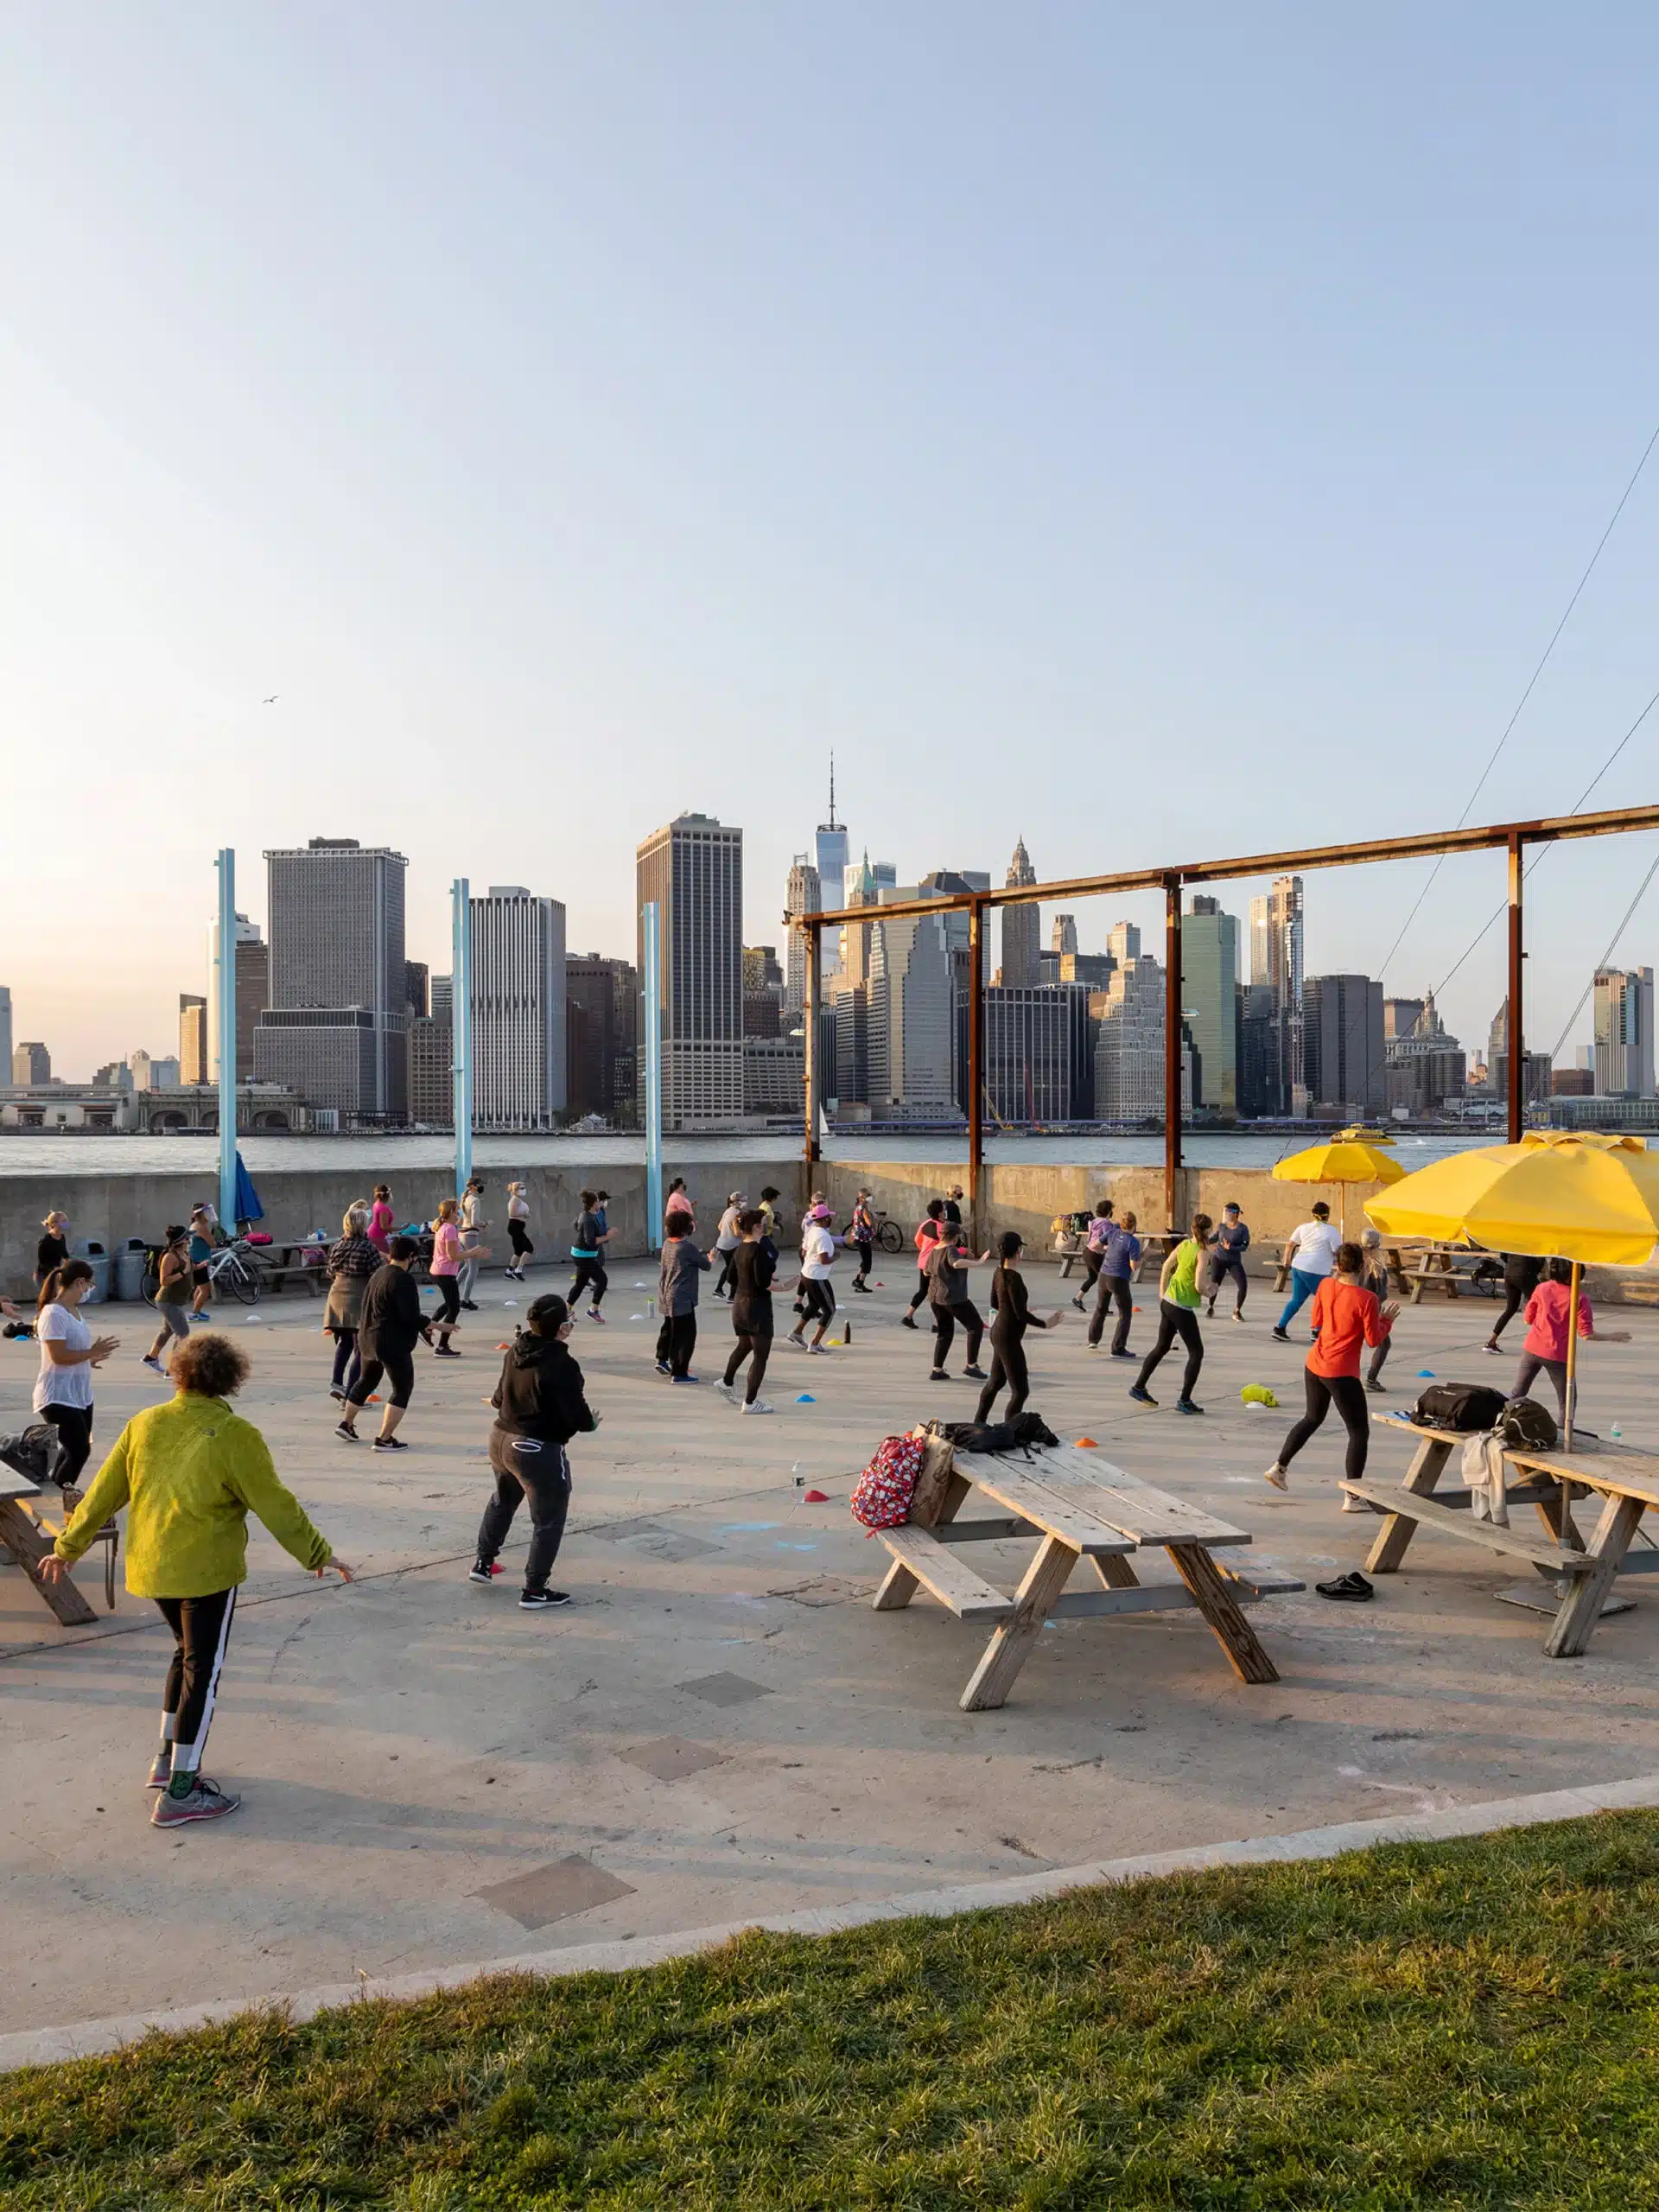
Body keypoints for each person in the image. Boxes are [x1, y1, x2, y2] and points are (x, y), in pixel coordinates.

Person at [42, 1332, 353, 1827]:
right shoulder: (235, 1436)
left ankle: (166, 1762)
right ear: (230, 1381)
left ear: (177, 1373)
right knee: (201, 1674)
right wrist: (317, 1553)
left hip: (153, 1568)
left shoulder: (144, 1424)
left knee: (184, 1656)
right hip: (205, 1572)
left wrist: (68, 1547)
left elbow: (102, 1492)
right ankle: (182, 1792)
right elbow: (274, 1503)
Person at [470, 1293, 597, 1610]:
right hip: (534, 1448)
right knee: (549, 1518)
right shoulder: (562, 1363)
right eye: (569, 1322)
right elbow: (578, 1416)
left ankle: (483, 1563)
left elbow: (499, 1399)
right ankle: (535, 1588)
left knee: (503, 1500)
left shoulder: (515, 1350)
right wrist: (591, 1423)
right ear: (560, 1328)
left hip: (500, 1438)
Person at [1264, 1241, 1398, 1496]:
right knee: (1359, 1432)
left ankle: (1279, 1467)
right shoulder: (1367, 1299)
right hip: (1342, 1372)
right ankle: (1353, 1495)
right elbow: (1373, 1340)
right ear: (1362, 1266)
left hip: (1315, 1364)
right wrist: (1386, 1322)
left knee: (1312, 1418)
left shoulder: (1325, 1285)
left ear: (1337, 1264)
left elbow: (1316, 1320)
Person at [339, 1236, 435, 1449]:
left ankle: (347, 1423)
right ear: (411, 1256)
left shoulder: (378, 1274)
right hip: (391, 1343)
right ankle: (384, 1438)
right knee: (402, 1388)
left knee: (366, 1380)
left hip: (367, 1339)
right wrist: (434, 1324)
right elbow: (410, 1316)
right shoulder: (403, 1279)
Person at [1510, 1257, 1628, 1424]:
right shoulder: (1579, 1298)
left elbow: (1527, 1320)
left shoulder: (1541, 1288)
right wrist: (1612, 1336)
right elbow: (1586, 1334)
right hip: (1556, 1354)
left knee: (1518, 1393)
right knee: (1566, 1402)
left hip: (1532, 1348)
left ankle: (1501, 1421)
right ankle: (1563, 1434)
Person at [34, 1260, 118, 1492]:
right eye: (89, 1284)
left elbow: (73, 1352)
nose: (90, 1290)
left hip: (80, 1395)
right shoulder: (53, 1313)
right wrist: (91, 1351)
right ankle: (61, 1494)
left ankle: (57, 1488)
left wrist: (91, 1358)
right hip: (57, 1396)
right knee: (80, 1450)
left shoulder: (75, 1312)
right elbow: (58, 1356)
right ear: (80, 1282)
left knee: (72, 1448)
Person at [1128, 1213, 1212, 1414]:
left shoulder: (1184, 1245)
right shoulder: (1202, 1253)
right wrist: (1211, 1291)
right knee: (1196, 1352)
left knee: (1162, 1346)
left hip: (1168, 1301)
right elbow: (1199, 1285)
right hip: (1181, 1307)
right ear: (1208, 1231)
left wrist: (1161, 1293)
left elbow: (1166, 1267)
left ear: (1192, 1229)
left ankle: (1138, 1387)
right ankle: (1184, 1400)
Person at [976, 1232, 1061, 1421]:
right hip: (1008, 1337)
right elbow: (1019, 1314)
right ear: (1017, 1252)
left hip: (999, 1332)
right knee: (1020, 1391)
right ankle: (1011, 1428)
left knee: (996, 1381)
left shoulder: (998, 1273)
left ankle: (979, 1422)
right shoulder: (1014, 1278)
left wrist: (1018, 1307)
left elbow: (995, 1303)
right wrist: (1045, 1324)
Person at [718, 1210, 777, 1413]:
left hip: (739, 1306)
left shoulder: (740, 1248)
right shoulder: (758, 1250)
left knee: (744, 1345)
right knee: (761, 1356)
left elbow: (731, 1278)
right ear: (757, 1227)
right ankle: (750, 1402)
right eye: (763, 1223)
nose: (766, 1226)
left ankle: (726, 1381)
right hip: (757, 1307)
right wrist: (783, 1285)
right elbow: (763, 1281)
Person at [323, 1204, 380, 1403]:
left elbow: (329, 1272)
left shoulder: (337, 1246)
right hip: (358, 1297)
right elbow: (376, 1275)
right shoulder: (368, 1247)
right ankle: (352, 1394)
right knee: (361, 1348)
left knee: (344, 1342)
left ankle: (336, 1383)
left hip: (337, 1295)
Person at [926, 1227, 992, 1382]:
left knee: (945, 1332)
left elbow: (926, 1272)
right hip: (953, 1297)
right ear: (955, 1237)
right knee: (975, 1326)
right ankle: (971, 1365)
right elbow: (956, 1263)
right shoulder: (951, 1249)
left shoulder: (934, 1250)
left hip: (935, 1297)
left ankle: (937, 1370)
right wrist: (979, 1262)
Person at [1273, 1202, 1342, 1341]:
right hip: (1317, 1270)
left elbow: (1290, 1244)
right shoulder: (1331, 1231)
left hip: (1298, 1266)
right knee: (1325, 1300)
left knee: (1297, 1300)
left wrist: (1286, 1260)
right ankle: (1317, 1331)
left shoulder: (1303, 1227)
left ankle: (1280, 1328)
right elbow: (1338, 1251)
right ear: (1327, 1216)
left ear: (1313, 1214)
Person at [656, 1215, 710, 1381]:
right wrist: (710, 1258)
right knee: (685, 1336)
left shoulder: (667, 1244)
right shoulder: (686, 1247)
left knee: (669, 1329)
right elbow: (706, 1265)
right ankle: (679, 1372)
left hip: (666, 1293)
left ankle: (662, 1359)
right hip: (682, 1298)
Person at [1086, 1209, 1141, 1357]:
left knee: (1101, 1307)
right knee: (1125, 1313)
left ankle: (1093, 1340)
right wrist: (1144, 1256)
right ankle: (1118, 1348)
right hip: (1119, 1278)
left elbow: (1095, 1245)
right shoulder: (1133, 1242)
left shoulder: (1112, 1233)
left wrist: (1108, 1249)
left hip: (1104, 1275)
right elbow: (1134, 1266)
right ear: (1134, 1225)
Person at [142, 1226, 194, 1377]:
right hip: (167, 1301)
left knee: (167, 1331)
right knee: (183, 1333)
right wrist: (183, 1272)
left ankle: (151, 1358)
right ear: (182, 1241)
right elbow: (164, 1280)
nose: (190, 1240)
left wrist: (198, 1267)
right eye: (188, 1238)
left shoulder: (185, 1254)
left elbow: (189, 1268)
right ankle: (173, 1369)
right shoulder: (170, 1257)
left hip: (177, 1300)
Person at [788, 1205, 839, 1353]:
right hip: (817, 1277)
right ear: (824, 1219)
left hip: (807, 1273)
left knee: (814, 1305)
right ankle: (815, 1343)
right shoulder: (822, 1235)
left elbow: (803, 1252)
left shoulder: (812, 1231)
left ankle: (796, 1333)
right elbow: (824, 1260)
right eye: (829, 1217)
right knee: (829, 1310)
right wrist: (836, 1257)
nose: (831, 1219)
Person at [1485, 1252, 1545, 1356]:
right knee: (1542, 1307)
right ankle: (1540, 1344)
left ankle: (1491, 1342)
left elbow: (1503, 1255)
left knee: (1511, 1308)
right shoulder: (1536, 1237)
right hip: (1526, 1272)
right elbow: (1540, 1261)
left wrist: (1512, 1263)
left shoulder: (1514, 1236)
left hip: (1509, 1272)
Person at [427, 1197, 465, 1353]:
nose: (459, 1213)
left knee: (450, 1303)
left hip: (441, 1271)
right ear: (451, 1212)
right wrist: (473, 1253)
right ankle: (442, 1346)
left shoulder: (445, 1227)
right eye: (457, 1210)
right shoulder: (449, 1229)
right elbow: (453, 1256)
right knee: (454, 1308)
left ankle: (428, 1326)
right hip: (445, 1272)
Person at [1359, 1230, 1395, 1395]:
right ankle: (1371, 1379)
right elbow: (1380, 1294)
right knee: (1383, 1342)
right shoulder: (1376, 1266)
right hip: (1369, 1310)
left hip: (1352, 1308)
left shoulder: (1355, 1261)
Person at [902, 1200, 948, 1327]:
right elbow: (946, 1245)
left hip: (923, 1261)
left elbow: (917, 1240)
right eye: (944, 1210)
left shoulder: (925, 1224)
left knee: (923, 1291)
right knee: (938, 1292)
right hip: (934, 1263)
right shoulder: (942, 1228)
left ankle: (908, 1316)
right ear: (940, 1213)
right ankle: (938, 1324)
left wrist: (925, 1250)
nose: (945, 1212)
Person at [568, 1189, 611, 1321]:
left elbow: (576, 1226)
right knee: (602, 1280)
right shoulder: (588, 1218)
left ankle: (566, 1310)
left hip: (583, 1254)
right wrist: (607, 1236)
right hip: (583, 1256)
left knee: (580, 1283)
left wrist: (605, 1234)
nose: (600, 1203)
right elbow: (590, 1241)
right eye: (598, 1201)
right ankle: (593, 1310)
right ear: (594, 1203)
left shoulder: (587, 1215)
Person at [1206, 1202, 1251, 1320]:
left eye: (1228, 1212)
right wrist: (1202, 1241)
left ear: (1235, 1214)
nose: (1225, 1214)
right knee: (1214, 1284)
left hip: (1234, 1261)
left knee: (1243, 1286)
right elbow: (1214, 1238)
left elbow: (1244, 1246)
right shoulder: (1221, 1226)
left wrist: (1231, 1248)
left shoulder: (1243, 1229)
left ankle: (1237, 1311)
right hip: (1219, 1259)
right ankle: (1210, 1306)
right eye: (1225, 1212)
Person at [1071, 1200, 1115, 1311]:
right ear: (1109, 1211)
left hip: (1087, 1252)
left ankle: (1077, 1298)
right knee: (1105, 1280)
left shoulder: (1094, 1221)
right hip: (1096, 1254)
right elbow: (1107, 1240)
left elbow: (1091, 1236)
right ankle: (1103, 1306)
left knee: (1093, 1278)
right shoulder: (1107, 1224)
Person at [457, 1177, 487, 1309]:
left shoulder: (465, 1198)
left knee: (467, 1266)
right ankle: (465, 1300)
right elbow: (475, 1222)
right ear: (474, 1186)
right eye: (480, 1184)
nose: (481, 1187)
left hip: (462, 1234)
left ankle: (452, 1291)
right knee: (474, 1269)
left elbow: (464, 1218)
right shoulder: (475, 1200)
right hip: (470, 1234)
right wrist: (485, 1223)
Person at [712, 1193, 746, 1300]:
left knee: (729, 1267)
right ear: (737, 1202)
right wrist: (745, 1235)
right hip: (732, 1245)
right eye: (742, 1201)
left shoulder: (728, 1211)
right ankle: (731, 1296)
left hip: (722, 1244)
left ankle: (719, 1289)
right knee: (735, 1269)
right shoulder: (737, 1214)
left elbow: (719, 1226)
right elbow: (736, 1232)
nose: (744, 1203)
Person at [188, 1203, 218, 1317]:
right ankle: (195, 1313)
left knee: (200, 1288)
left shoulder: (196, 1225)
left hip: (198, 1260)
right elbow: (212, 1243)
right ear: (201, 1214)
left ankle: (197, 1311)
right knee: (206, 1289)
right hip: (198, 1262)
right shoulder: (200, 1227)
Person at [505, 1183, 534, 1282]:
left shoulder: (518, 1199)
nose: (523, 1189)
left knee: (518, 1251)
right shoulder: (514, 1199)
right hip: (515, 1226)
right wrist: (525, 1214)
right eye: (521, 1188)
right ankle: (518, 1270)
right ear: (515, 1190)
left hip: (518, 1226)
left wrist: (525, 1216)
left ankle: (509, 1271)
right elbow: (512, 1213)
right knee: (529, 1248)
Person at [849, 1190, 877, 1291]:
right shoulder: (863, 1208)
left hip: (858, 1237)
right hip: (862, 1238)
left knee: (864, 1259)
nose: (870, 1197)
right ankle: (860, 1283)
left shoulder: (858, 1207)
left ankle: (857, 1280)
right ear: (863, 1198)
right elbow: (869, 1223)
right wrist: (874, 1221)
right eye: (868, 1195)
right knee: (867, 1261)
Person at [35, 1211, 69, 1294]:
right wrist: (55, 1269)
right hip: (44, 1274)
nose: (66, 1223)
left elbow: (64, 1254)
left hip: (56, 1273)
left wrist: (69, 1265)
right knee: (49, 1297)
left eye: (66, 1220)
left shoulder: (62, 1237)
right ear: (54, 1223)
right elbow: (42, 1260)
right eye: (63, 1220)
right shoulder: (46, 1240)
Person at [366, 1185, 397, 1255]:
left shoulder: (377, 1204)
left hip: (374, 1235)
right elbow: (384, 1227)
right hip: (378, 1236)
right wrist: (401, 1229)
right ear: (388, 1195)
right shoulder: (383, 1208)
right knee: (389, 1257)